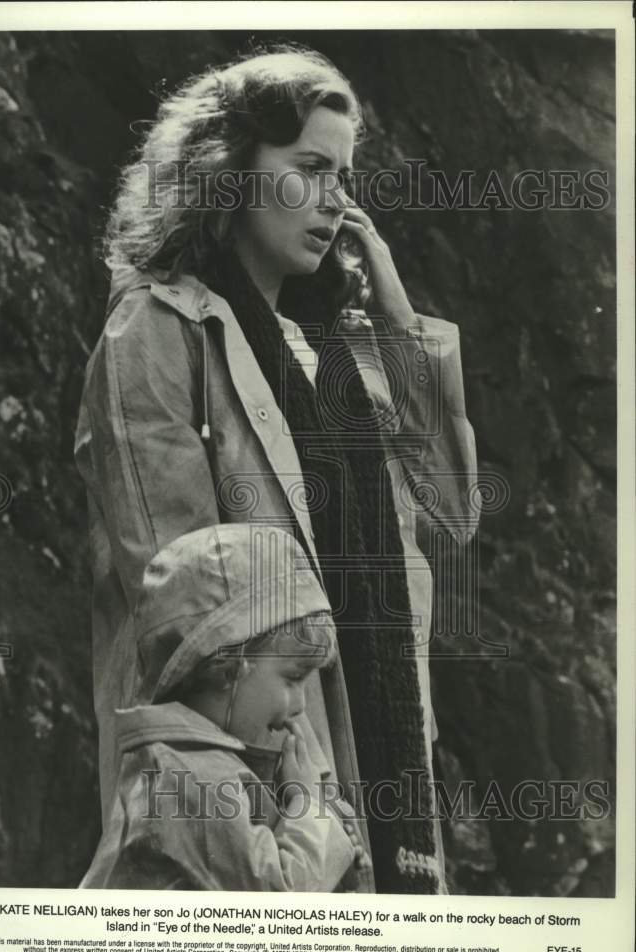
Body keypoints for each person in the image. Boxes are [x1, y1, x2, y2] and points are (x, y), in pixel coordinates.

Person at [75, 45, 480, 893]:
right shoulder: (155, 329)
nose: (335, 199)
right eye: (308, 168)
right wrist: (304, 792)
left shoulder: (347, 351)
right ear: (229, 171)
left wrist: (399, 318)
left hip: (379, 750)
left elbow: (450, 509)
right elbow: (181, 609)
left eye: (343, 175)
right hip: (252, 772)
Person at [80, 523, 370, 892]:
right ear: (229, 668)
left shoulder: (198, 765)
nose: (300, 705)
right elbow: (278, 904)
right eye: (293, 679)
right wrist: (309, 806)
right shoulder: (189, 778)